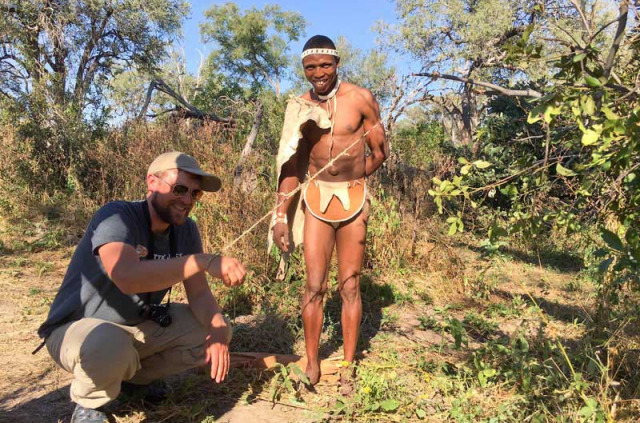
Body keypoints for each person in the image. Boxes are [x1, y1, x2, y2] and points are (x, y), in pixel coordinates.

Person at [36, 152, 247, 423]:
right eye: (180, 189)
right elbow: (127, 276)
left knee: (214, 327)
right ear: (152, 182)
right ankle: (90, 404)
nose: (187, 200)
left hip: (134, 327)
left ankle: (134, 380)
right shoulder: (117, 216)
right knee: (109, 343)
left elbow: (200, 294)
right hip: (77, 331)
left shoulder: (186, 230)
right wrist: (202, 261)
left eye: (195, 194)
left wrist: (220, 332)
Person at [269, 35, 388, 391]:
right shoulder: (300, 108)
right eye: (310, 67)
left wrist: (354, 181)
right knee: (313, 286)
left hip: (353, 200)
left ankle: (349, 366)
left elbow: (380, 152)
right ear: (303, 69)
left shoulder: (360, 99)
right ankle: (313, 363)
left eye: (325, 65)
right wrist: (279, 216)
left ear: (337, 64)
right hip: (316, 200)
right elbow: (291, 167)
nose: (318, 73)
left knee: (349, 285)